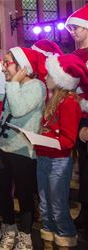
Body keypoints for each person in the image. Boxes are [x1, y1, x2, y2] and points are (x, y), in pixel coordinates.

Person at [0, 47, 47, 250]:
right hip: (3, 147)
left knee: (24, 195)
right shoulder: (11, 85)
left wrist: (14, 82)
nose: (3, 66)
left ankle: (25, 236)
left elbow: (18, 110)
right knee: (3, 193)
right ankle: (9, 230)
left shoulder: (37, 86)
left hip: (23, 151)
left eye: (7, 62)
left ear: (23, 66)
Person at [36, 54, 87, 249]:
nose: (46, 77)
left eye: (49, 74)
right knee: (44, 205)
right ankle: (48, 240)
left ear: (60, 78)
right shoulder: (53, 102)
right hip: (44, 157)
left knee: (57, 207)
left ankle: (65, 238)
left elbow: (67, 140)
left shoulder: (69, 103)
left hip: (58, 161)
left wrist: (43, 138)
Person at [65, 5, 88, 233]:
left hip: (87, 116)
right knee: (82, 167)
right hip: (75, 115)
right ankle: (84, 210)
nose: (72, 31)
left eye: (77, 27)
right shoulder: (73, 56)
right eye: (70, 28)